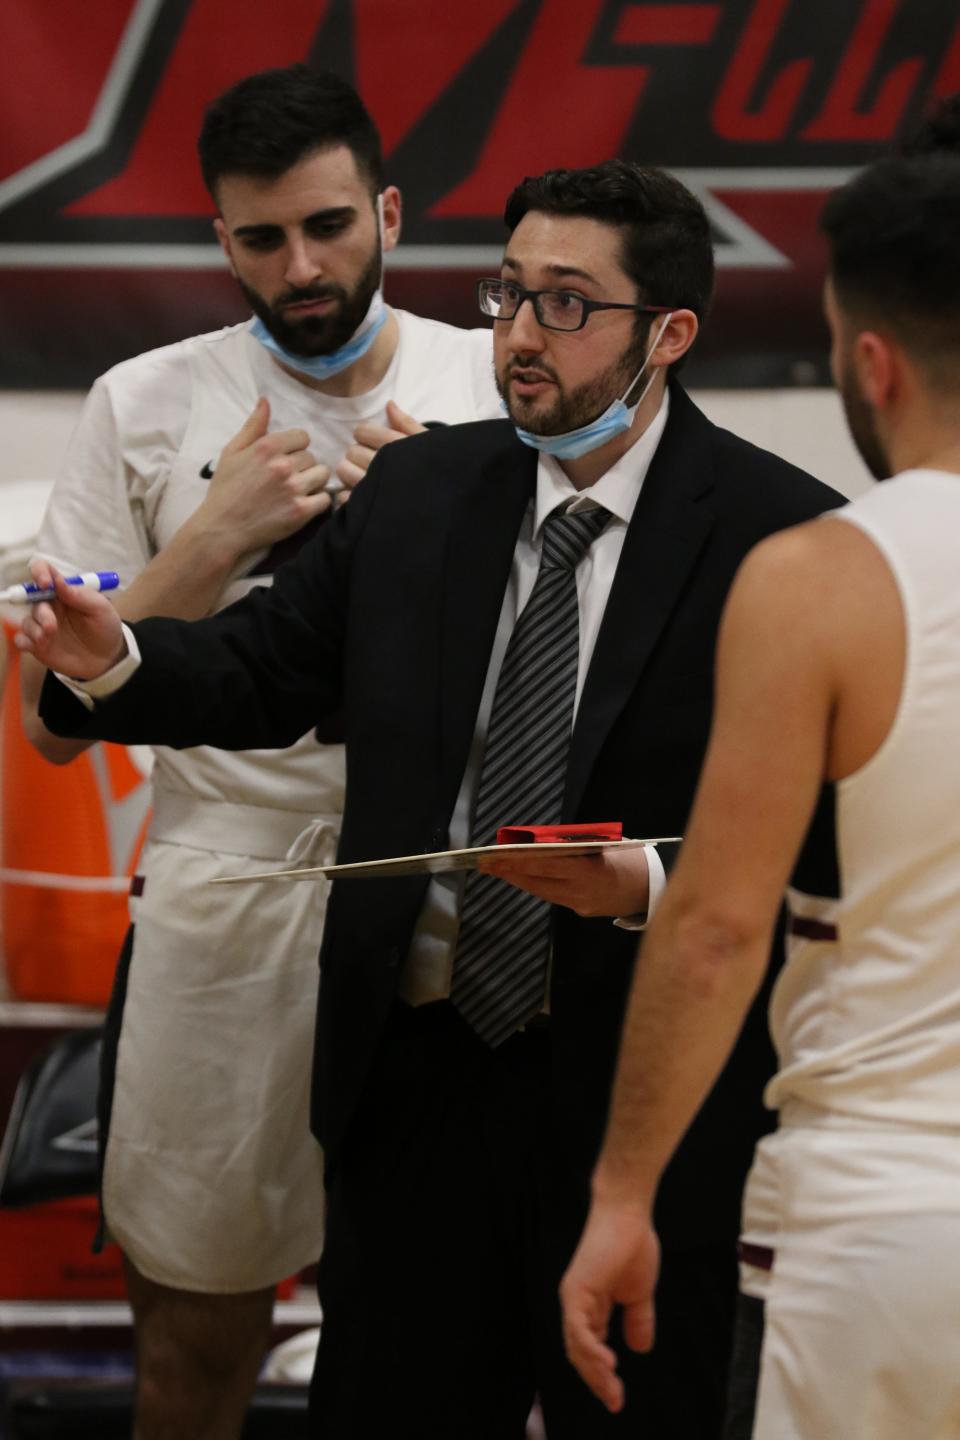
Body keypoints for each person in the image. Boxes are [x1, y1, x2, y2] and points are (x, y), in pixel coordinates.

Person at [20, 159, 840, 1440]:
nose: (517, 335)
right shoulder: (419, 491)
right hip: (415, 1071)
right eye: (507, 292)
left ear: (669, 333)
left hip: (641, 1092)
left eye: (566, 304)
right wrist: (114, 658)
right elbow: (264, 668)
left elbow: (837, 831)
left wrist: (652, 882)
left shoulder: (785, 538)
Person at [20, 63, 499, 1440]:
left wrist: (440, 531)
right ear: (219, 240)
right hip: (226, 898)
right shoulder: (146, 400)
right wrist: (209, 543)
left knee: (433, 1347)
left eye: (330, 226)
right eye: (262, 237)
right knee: (192, 1345)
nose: (302, 265)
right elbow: (57, 727)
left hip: (443, 888)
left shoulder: (489, 381)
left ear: (391, 213)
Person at [560, 150, 960, 1439]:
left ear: (873, 362)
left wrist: (623, 1193)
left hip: (886, 1212)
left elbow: (721, 926)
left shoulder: (819, 577)